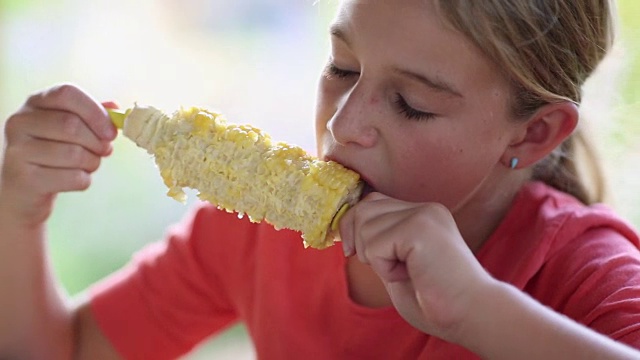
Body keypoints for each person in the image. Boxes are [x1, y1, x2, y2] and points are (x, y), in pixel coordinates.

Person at [1, 0, 639, 359]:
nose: (344, 123)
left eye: (412, 103)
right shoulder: (251, 234)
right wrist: (18, 210)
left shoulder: (581, 271)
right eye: (342, 67)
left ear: (532, 134)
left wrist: (477, 311)